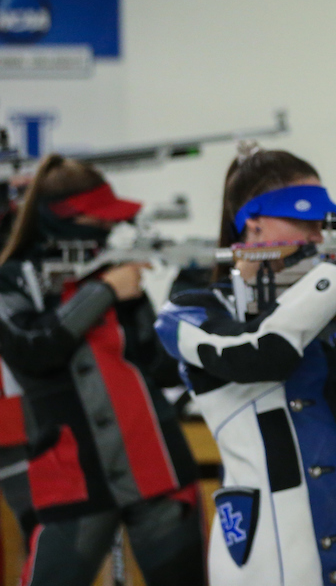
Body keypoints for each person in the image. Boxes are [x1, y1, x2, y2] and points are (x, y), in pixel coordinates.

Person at [155, 146, 336, 586]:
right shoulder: (188, 311)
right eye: (304, 219)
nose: (317, 235)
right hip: (273, 549)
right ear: (253, 221)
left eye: (322, 223)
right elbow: (260, 353)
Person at [0, 155, 203, 586]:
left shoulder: (111, 268)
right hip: (73, 477)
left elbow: (160, 367)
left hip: (156, 466)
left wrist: (187, 292)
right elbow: (31, 349)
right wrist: (104, 291)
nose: (108, 228)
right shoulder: (13, 278)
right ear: (61, 218)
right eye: (98, 219)